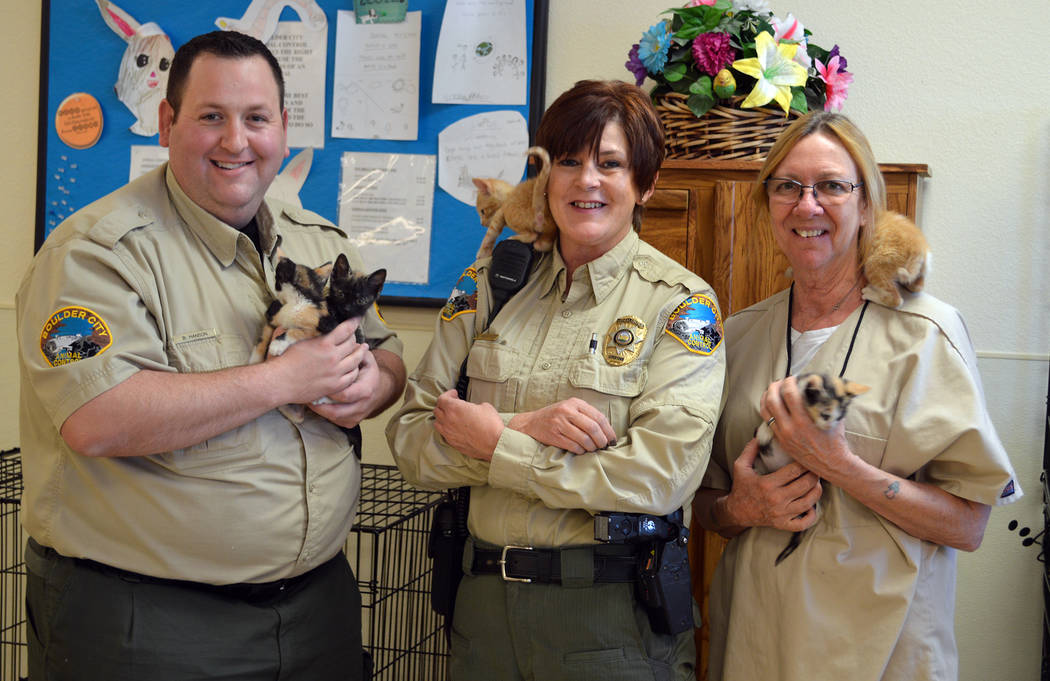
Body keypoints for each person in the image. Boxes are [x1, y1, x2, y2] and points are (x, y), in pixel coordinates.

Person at [16, 31, 405, 681]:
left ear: (282, 128)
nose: (235, 141)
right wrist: (283, 378)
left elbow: (387, 351)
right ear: (168, 122)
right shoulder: (94, 254)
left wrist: (375, 383)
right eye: (210, 117)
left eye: (256, 119)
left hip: (317, 610)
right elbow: (97, 418)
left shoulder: (320, 240)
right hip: (147, 623)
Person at [386, 79, 726, 680]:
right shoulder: (492, 283)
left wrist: (496, 444)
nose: (586, 180)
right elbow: (411, 438)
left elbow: (657, 477)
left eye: (611, 164)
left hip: (605, 618)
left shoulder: (680, 305)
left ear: (645, 184)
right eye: (568, 161)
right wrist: (526, 427)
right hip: (481, 608)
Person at [692, 111, 1020, 680]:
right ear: (768, 203)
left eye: (832, 187)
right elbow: (705, 503)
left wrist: (841, 467)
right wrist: (737, 510)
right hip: (756, 644)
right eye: (788, 187)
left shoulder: (926, 334)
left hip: (882, 654)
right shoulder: (739, 335)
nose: (807, 205)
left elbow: (969, 526)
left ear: (867, 204)